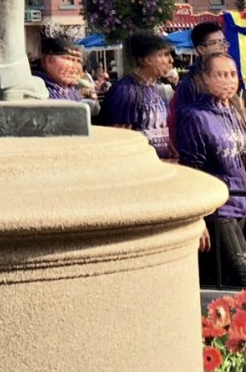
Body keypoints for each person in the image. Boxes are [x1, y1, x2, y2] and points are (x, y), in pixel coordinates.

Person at [176, 52, 246, 284]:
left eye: (232, 74)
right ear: (205, 79)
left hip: (240, 202)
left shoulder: (234, 112)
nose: (228, 80)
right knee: (240, 272)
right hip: (218, 209)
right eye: (220, 75)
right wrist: (198, 217)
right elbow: (191, 169)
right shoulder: (195, 116)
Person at [97, 32, 177, 160]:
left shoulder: (158, 88)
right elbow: (119, 138)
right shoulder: (125, 91)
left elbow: (162, 129)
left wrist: (172, 152)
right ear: (146, 59)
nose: (171, 60)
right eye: (164, 55)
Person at [167, 22, 228, 145]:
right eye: (216, 43)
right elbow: (184, 125)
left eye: (224, 42)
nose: (223, 47)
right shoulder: (190, 84)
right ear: (200, 49)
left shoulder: (227, 77)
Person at [30, 35, 100, 116]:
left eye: (78, 61)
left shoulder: (70, 90)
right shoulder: (36, 90)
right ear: (47, 60)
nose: (75, 67)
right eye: (68, 59)